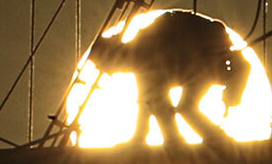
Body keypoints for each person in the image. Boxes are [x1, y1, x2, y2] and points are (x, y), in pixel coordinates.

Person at [87, 11, 250, 147]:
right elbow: (146, 105)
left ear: (113, 57)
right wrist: (140, 138)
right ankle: (201, 141)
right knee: (177, 106)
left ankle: (215, 141)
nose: (109, 73)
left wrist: (144, 139)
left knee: (186, 108)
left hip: (203, 54)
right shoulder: (140, 58)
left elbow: (153, 104)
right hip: (198, 56)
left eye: (105, 67)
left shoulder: (144, 52)